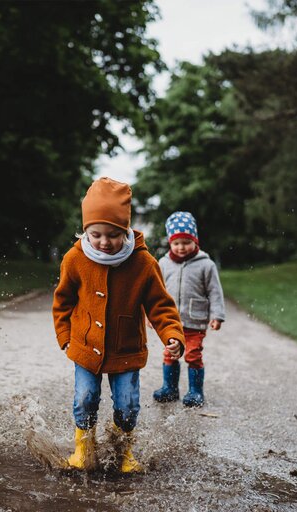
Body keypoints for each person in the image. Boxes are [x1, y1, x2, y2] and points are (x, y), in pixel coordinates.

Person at [52, 177, 185, 473]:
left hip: (126, 349)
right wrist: (64, 336)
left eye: (112, 235)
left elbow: (160, 305)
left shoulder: (143, 263)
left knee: (127, 405)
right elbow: (62, 300)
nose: (103, 242)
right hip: (86, 346)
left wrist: (172, 333)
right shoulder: (75, 259)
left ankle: (123, 452)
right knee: (85, 399)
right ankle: (83, 450)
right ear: (85, 230)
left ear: (124, 230)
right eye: (95, 234)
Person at [152, 211, 225, 407]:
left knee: (193, 354)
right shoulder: (164, 264)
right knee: (170, 353)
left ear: (195, 241)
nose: (181, 247)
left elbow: (214, 291)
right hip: (170, 322)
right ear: (170, 242)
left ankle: (195, 391)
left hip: (195, 320)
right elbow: (156, 292)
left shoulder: (206, 264)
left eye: (186, 242)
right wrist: (152, 316)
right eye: (176, 243)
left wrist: (217, 315)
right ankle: (170, 388)